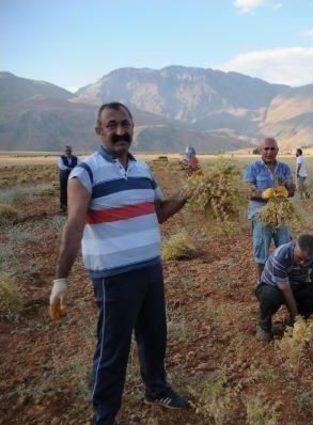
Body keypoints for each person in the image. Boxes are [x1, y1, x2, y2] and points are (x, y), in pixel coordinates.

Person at [48, 102, 193, 425]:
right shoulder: (84, 173)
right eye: (111, 125)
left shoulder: (143, 170)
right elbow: (73, 225)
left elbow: (158, 213)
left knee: (154, 335)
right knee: (113, 347)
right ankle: (104, 414)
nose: (119, 131)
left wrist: (188, 192)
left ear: (133, 127)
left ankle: (156, 388)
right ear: (99, 130)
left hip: (149, 269)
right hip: (113, 276)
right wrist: (61, 280)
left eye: (125, 124)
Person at [254, 234, 313, 341]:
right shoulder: (280, 255)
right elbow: (286, 290)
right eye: (299, 258)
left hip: (296, 286)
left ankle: (290, 323)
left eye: (307, 260)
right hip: (273, 287)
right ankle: (264, 326)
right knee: (270, 296)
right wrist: (296, 317)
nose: (303, 263)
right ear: (294, 246)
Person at [244, 137, 295, 281]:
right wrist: (263, 194)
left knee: (285, 249)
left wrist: (287, 190)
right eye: (266, 148)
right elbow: (247, 191)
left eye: (273, 149)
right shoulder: (253, 168)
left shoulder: (284, 168)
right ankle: (263, 284)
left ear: (277, 151)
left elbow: (291, 189)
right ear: (260, 150)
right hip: (260, 214)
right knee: (261, 251)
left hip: (280, 214)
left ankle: (284, 282)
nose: (269, 152)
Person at [57, 145, 78, 213]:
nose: (68, 151)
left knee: (74, 192)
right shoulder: (60, 158)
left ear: (71, 151)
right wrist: (70, 168)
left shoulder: (76, 158)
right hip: (64, 177)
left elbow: (80, 165)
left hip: (73, 177)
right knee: (63, 192)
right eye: (67, 150)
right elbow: (61, 166)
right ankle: (63, 207)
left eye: (69, 150)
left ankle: (73, 207)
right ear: (65, 151)